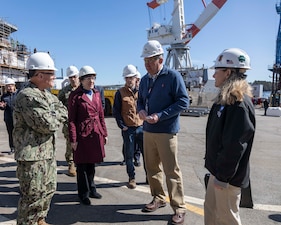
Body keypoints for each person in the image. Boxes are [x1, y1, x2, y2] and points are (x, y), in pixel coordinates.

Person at [137, 40, 189, 225]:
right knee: (151, 168)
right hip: (148, 130)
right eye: (145, 61)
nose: (147, 65)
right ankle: (158, 197)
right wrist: (141, 110)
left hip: (166, 131)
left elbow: (183, 102)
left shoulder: (172, 76)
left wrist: (160, 116)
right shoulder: (144, 80)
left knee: (171, 170)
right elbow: (140, 101)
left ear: (160, 59)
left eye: (150, 61)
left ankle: (179, 207)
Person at [13, 52, 68, 225]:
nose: (54, 76)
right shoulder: (27, 96)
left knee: (48, 192)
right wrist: (53, 113)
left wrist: (53, 112)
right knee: (33, 198)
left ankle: (40, 220)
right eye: (51, 73)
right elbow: (48, 124)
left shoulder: (47, 95)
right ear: (39, 75)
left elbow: (64, 111)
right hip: (32, 158)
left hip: (46, 154)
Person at [204, 48, 256, 225]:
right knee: (211, 213)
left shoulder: (237, 103)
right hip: (217, 172)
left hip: (226, 177)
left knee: (227, 219)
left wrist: (223, 177)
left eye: (216, 71)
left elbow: (235, 147)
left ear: (227, 72)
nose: (213, 76)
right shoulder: (225, 100)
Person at [68, 65, 108, 205]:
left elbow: (101, 115)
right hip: (82, 134)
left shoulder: (96, 93)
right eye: (88, 78)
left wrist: (104, 133)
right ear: (82, 80)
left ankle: (92, 189)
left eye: (93, 78)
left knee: (92, 164)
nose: (91, 81)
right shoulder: (76, 96)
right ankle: (83, 194)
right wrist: (73, 139)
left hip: (95, 132)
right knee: (82, 166)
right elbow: (71, 119)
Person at [113, 64, 144, 189]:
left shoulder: (142, 91)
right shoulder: (120, 93)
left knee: (147, 155)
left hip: (142, 127)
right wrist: (122, 126)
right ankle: (132, 178)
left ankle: (149, 178)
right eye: (126, 78)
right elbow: (116, 111)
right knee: (129, 155)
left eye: (131, 78)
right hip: (128, 129)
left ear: (136, 78)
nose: (128, 80)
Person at [58, 65, 80, 176]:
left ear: (78, 76)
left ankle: (81, 162)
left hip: (82, 122)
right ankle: (71, 164)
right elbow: (57, 105)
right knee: (70, 143)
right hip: (69, 123)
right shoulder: (64, 91)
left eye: (74, 76)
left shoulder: (84, 89)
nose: (72, 79)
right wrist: (64, 116)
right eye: (70, 77)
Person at [0, 78, 18, 154]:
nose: (9, 88)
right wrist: (2, 106)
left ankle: (19, 147)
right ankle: (12, 148)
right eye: (7, 86)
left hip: (18, 118)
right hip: (8, 118)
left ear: (14, 86)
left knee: (19, 133)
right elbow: (2, 107)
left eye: (11, 86)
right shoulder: (4, 96)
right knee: (10, 133)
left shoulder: (19, 94)